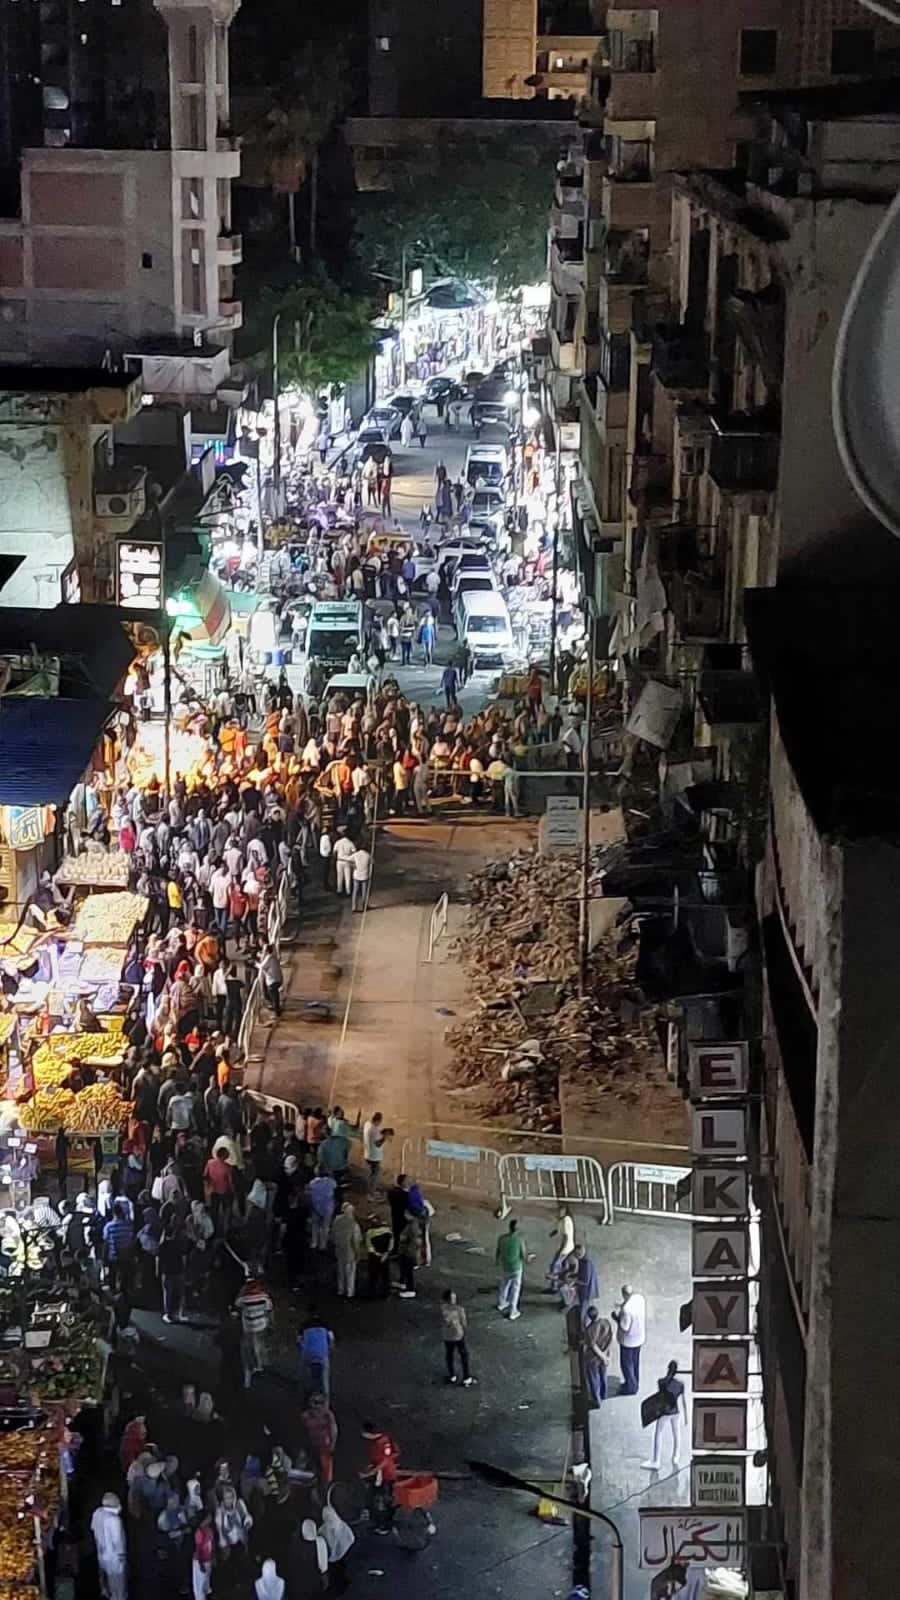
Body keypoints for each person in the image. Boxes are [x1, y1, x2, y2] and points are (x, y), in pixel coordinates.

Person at [642, 1360, 687, 1469]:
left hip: (664, 1413)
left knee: (658, 1434)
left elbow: (660, 1398)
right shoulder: (680, 1384)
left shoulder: (661, 1382)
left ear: (668, 1369)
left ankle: (656, 1461)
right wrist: (686, 1417)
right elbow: (683, 1402)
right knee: (676, 1434)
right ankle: (676, 1455)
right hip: (676, 1412)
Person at [236, 1270, 273, 1386]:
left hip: (249, 1326)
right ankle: (261, 1363)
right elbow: (269, 1308)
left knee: (250, 1346)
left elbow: (237, 1304)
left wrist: (242, 1292)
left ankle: (255, 1366)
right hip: (262, 1324)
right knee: (259, 1343)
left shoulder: (244, 1298)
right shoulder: (263, 1296)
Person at [91, 1492, 127, 1600]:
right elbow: (117, 1541)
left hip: (102, 1555)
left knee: (106, 1582)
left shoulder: (97, 1513)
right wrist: (122, 1556)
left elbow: (93, 1529)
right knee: (118, 1586)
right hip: (114, 1558)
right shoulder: (115, 1520)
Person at [612, 1282, 647, 1394]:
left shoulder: (626, 1310)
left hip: (628, 1341)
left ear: (624, 1294)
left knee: (626, 1365)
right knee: (635, 1362)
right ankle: (635, 1382)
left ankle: (631, 1387)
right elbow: (628, 1303)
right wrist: (621, 1305)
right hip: (639, 1337)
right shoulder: (639, 1299)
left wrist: (616, 1317)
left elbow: (625, 1327)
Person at [441, 1288, 475, 1386]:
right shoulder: (459, 1309)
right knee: (463, 1355)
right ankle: (466, 1376)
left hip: (447, 1336)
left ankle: (452, 1375)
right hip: (458, 1335)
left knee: (449, 1354)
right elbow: (464, 1323)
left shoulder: (443, 1309)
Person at [495, 1217, 527, 1320]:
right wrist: (528, 1259)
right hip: (516, 1267)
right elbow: (523, 1255)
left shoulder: (502, 1238)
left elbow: (498, 1251)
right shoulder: (520, 1240)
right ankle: (513, 1311)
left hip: (506, 1266)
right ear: (517, 1229)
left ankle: (502, 1303)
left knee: (504, 1285)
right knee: (515, 1289)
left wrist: (497, 1261)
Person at [582, 1309, 613, 1407]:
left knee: (594, 1378)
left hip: (593, 1359)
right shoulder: (606, 1323)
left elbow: (593, 1346)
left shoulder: (590, 1330)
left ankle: (597, 1400)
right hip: (605, 1354)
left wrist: (602, 1357)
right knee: (603, 1375)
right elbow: (610, 1339)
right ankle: (604, 1394)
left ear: (589, 1317)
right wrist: (607, 1356)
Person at [332, 1201, 363, 1299]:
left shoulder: (336, 1220)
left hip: (339, 1250)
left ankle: (341, 1290)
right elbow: (356, 1241)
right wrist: (358, 1254)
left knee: (340, 1272)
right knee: (350, 1273)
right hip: (350, 1252)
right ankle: (349, 1293)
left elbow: (333, 1235)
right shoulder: (354, 1225)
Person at [298, 1320, 334, 1400]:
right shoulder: (326, 1324)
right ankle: (326, 1399)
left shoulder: (304, 1325)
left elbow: (299, 1341)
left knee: (306, 1375)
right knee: (325, 1378)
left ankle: (306, 1395)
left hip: (308, 1354)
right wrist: (329, 1350)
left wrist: (303, 1350)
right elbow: (331, 1339)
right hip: (322, 1354)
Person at [546, 1205, 575, 1290]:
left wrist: (561, 1250)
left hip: (565, 1248)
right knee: (563, 1266)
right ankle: (562, 1284)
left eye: (560, 1212)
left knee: (554, 1265)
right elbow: (560, 1229)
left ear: (565, 1212)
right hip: (569, 1247)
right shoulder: (564, 1219)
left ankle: (554, 1287)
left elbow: (566, 1237)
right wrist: (554, 1233)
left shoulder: (565, 1221)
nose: (558, 1213)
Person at [364, 1215, 393, 1298]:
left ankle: (372, 1293)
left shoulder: (369, 1233)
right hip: (385, 1257)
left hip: (374, 1258)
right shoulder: (387, 1230)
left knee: (373, 1276)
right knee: (385, 1276)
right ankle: (385, 1293)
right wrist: (386, 1254)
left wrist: (377, 1254)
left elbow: (369, 1246)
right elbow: (391, 1243)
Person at [362, 1112, 386, 1192]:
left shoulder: (367, 1124)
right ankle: (371, 1192)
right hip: (374, 1157)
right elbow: (378, 1144)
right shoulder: (374, 1130)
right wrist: (385, 1137)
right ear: (378, 1120)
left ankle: (369, 1190)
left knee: (369, 1175)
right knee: (374, 1176)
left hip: (367, 1154)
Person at [258, 945, 284, 1016]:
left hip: (272, 981)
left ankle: (277, 1013)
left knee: (273, 997)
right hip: (278, 979)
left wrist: (255, 964)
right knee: (275, 997)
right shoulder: (273, 957)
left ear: (266, 951)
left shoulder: (269, 958)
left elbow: (262, 966)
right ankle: (277, 1010)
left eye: (264, 950)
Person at [350, 842, 372, 912]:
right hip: (365, 875)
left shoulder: (355, 855)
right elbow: (371, 864)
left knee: (355, 891)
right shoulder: (368, 855)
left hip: (356, 875)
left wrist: (353, 866)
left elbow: (348, 860)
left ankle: (354, 907)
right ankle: (364, 906)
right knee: (364, 892)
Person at [333, 831, 356, 896]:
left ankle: (339, 890)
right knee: (347, 877)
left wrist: (335, 859)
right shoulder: (350, 843)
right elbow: (354, 852)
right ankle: (348, 891)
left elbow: (334, 852)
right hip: (347, 861)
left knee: (339, 876)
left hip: (339, 861)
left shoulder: (338, 842)